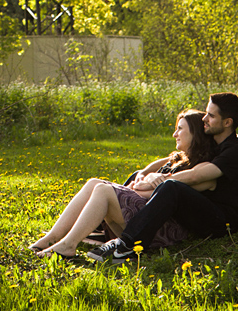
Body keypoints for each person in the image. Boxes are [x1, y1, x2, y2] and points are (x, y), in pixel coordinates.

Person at [88, 92, 238, 264]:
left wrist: (160, 179)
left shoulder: (234, 151)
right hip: (204, 208)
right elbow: (174, 157)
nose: (204, 119)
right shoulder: (216, 144)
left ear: (227, 122)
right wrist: (146, 173)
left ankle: (127, 245)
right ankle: (103, 228)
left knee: (172, 187)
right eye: (206, 113)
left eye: (211, 116)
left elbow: (195, 176)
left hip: (222, 221)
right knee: (141, 177)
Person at [30, 108, 217, 260]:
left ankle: (68, 246)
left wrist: (144, 187)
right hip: (142, 211)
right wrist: (144, 176)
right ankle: (51, 238)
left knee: (103, 190)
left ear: (196, 134)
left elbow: (168, 197)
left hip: (161, 227)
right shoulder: (177, 159)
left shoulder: (202, 169)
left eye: (181, 129)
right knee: (93, 182)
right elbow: (148, 169)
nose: (175, 133)